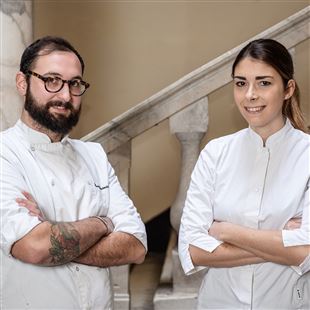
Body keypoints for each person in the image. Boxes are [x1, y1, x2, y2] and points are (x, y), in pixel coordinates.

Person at [0, 36, 147, 309]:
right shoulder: (5, 154)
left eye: (75, 84)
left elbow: (136, 246)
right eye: (52, 80)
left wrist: (52, 239)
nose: (66, 96)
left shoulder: (94, 155)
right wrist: (103, 224)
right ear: (22, 83)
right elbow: (34, 247)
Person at [178, 38, 309, 309]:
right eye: (241, 83)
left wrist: (225, 230)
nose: (250, 94)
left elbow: (305, 252)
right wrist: (279, 244)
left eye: (264, 82)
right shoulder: (215, 154)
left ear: (287, 89)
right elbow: (193, 249)